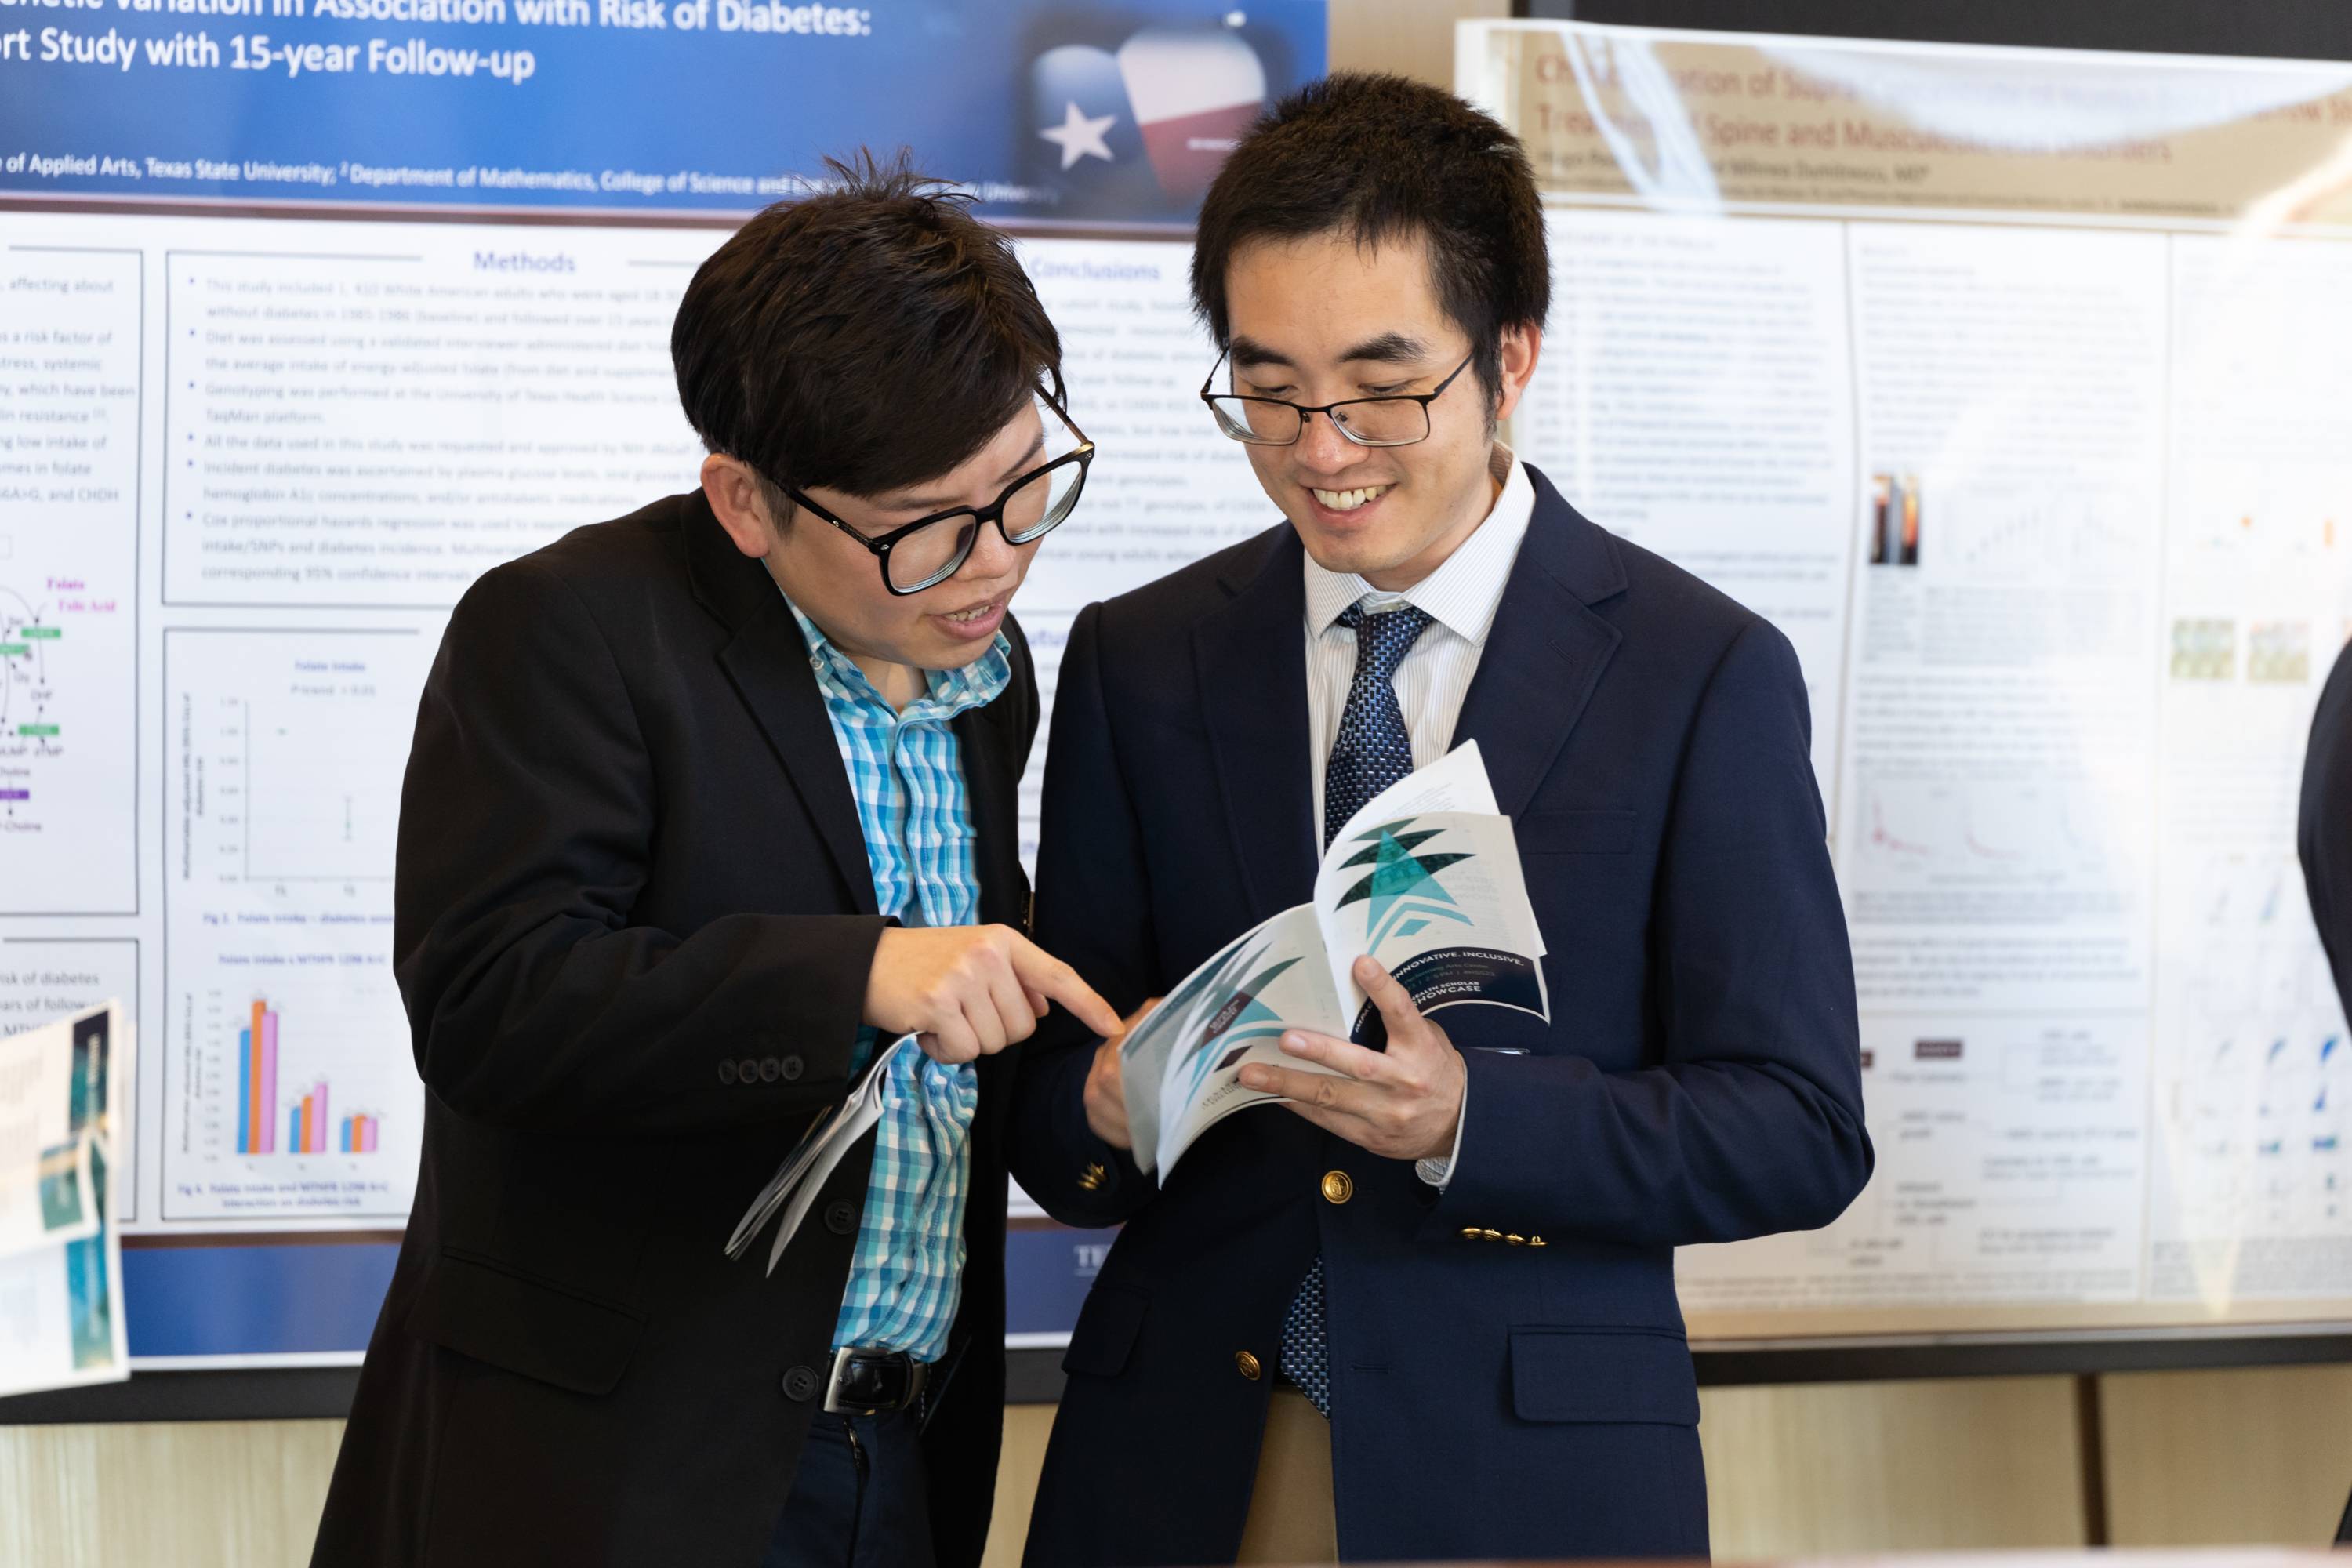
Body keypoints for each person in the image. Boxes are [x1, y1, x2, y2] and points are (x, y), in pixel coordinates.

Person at [1011, 74, 1874, 1565]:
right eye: (1268, 390)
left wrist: (1476, 1119)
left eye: (1381, 387)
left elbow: (1798, 1129)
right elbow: (1049, 1076)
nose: (1321, 447)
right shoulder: (1140, 657)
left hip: (1526, 1479)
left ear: (1511, 358)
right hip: (1182, 1465)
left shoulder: (1699, 671)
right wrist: (1097, 1101)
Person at [310, 154, 1122, 1568]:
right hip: (628, 1477)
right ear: (747, 504)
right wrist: (858, 973)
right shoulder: (570, 631)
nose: (994, 564)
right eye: (926, 528)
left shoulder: (989, 672)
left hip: (905, 1452)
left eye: (1024, 491)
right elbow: (491, 1004)